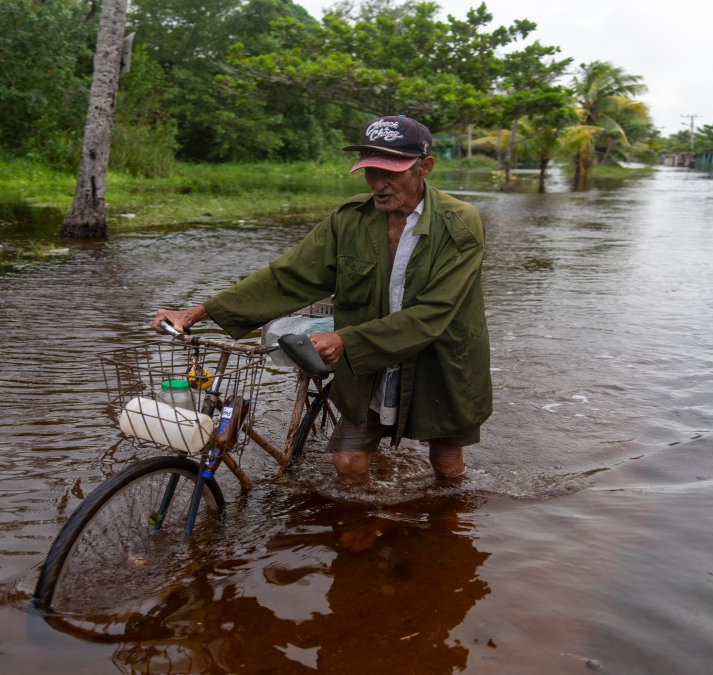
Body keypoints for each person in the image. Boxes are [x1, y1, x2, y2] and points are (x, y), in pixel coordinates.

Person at [151, 115, 492, 486]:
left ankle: (448, 531)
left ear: (424, 167)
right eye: (370, 171)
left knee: (445, 458)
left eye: (391, 172)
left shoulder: (460, 222)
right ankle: (361, 532)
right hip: (369, 357)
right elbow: (289, 275)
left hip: (438, 357)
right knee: (347, 460)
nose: (378, 184)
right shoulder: (350, 220)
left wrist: (345, 340)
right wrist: (198, 312)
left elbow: (432, 313)